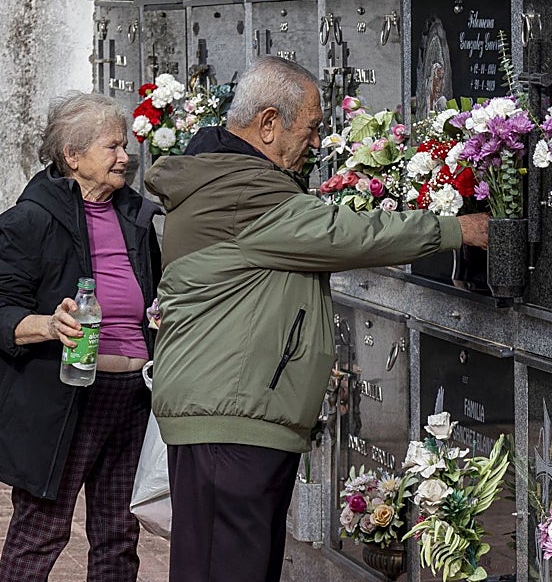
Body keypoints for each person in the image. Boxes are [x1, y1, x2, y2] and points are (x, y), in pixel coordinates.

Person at [145, 56, 488, 582]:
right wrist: (455, 229)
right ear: (267, 123)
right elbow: (345, 233)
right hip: (232, 418)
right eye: (311, 128)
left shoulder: (226, 177)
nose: (317, 143)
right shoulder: (243, 192)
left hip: (233, 411)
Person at [0, 91, 163, 582]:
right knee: (43, 532)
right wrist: (49, 325)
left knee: (119, 536)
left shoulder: (136, 219)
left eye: (125, 146)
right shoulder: (28, 222)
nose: (125, 157)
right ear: (73, 157)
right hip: (65, 399)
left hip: (133, 397)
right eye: (112, 147)